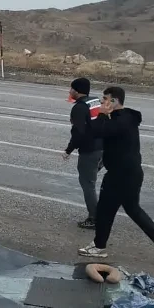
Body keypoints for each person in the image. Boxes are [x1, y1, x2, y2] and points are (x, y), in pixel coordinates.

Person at [78, 86, 154, 262]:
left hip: (119, 174)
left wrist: (101, 114)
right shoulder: (127, 118)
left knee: (104, 210)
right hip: (132, 172)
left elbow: (95, 132)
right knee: (132, 208)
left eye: (105, 99)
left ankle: (99, 246)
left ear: (114, 101)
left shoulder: (117, 122)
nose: (102, 102)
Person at [62, 77, 102, 229]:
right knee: (91, 179)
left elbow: (78, 133)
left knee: (88, 184)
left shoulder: (79, 107)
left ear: (77, 91)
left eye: (71, 88)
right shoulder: (95, 101)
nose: (69, 91)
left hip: (90, 150)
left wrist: (68, 150)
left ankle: (95, 218)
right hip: (102, 147)